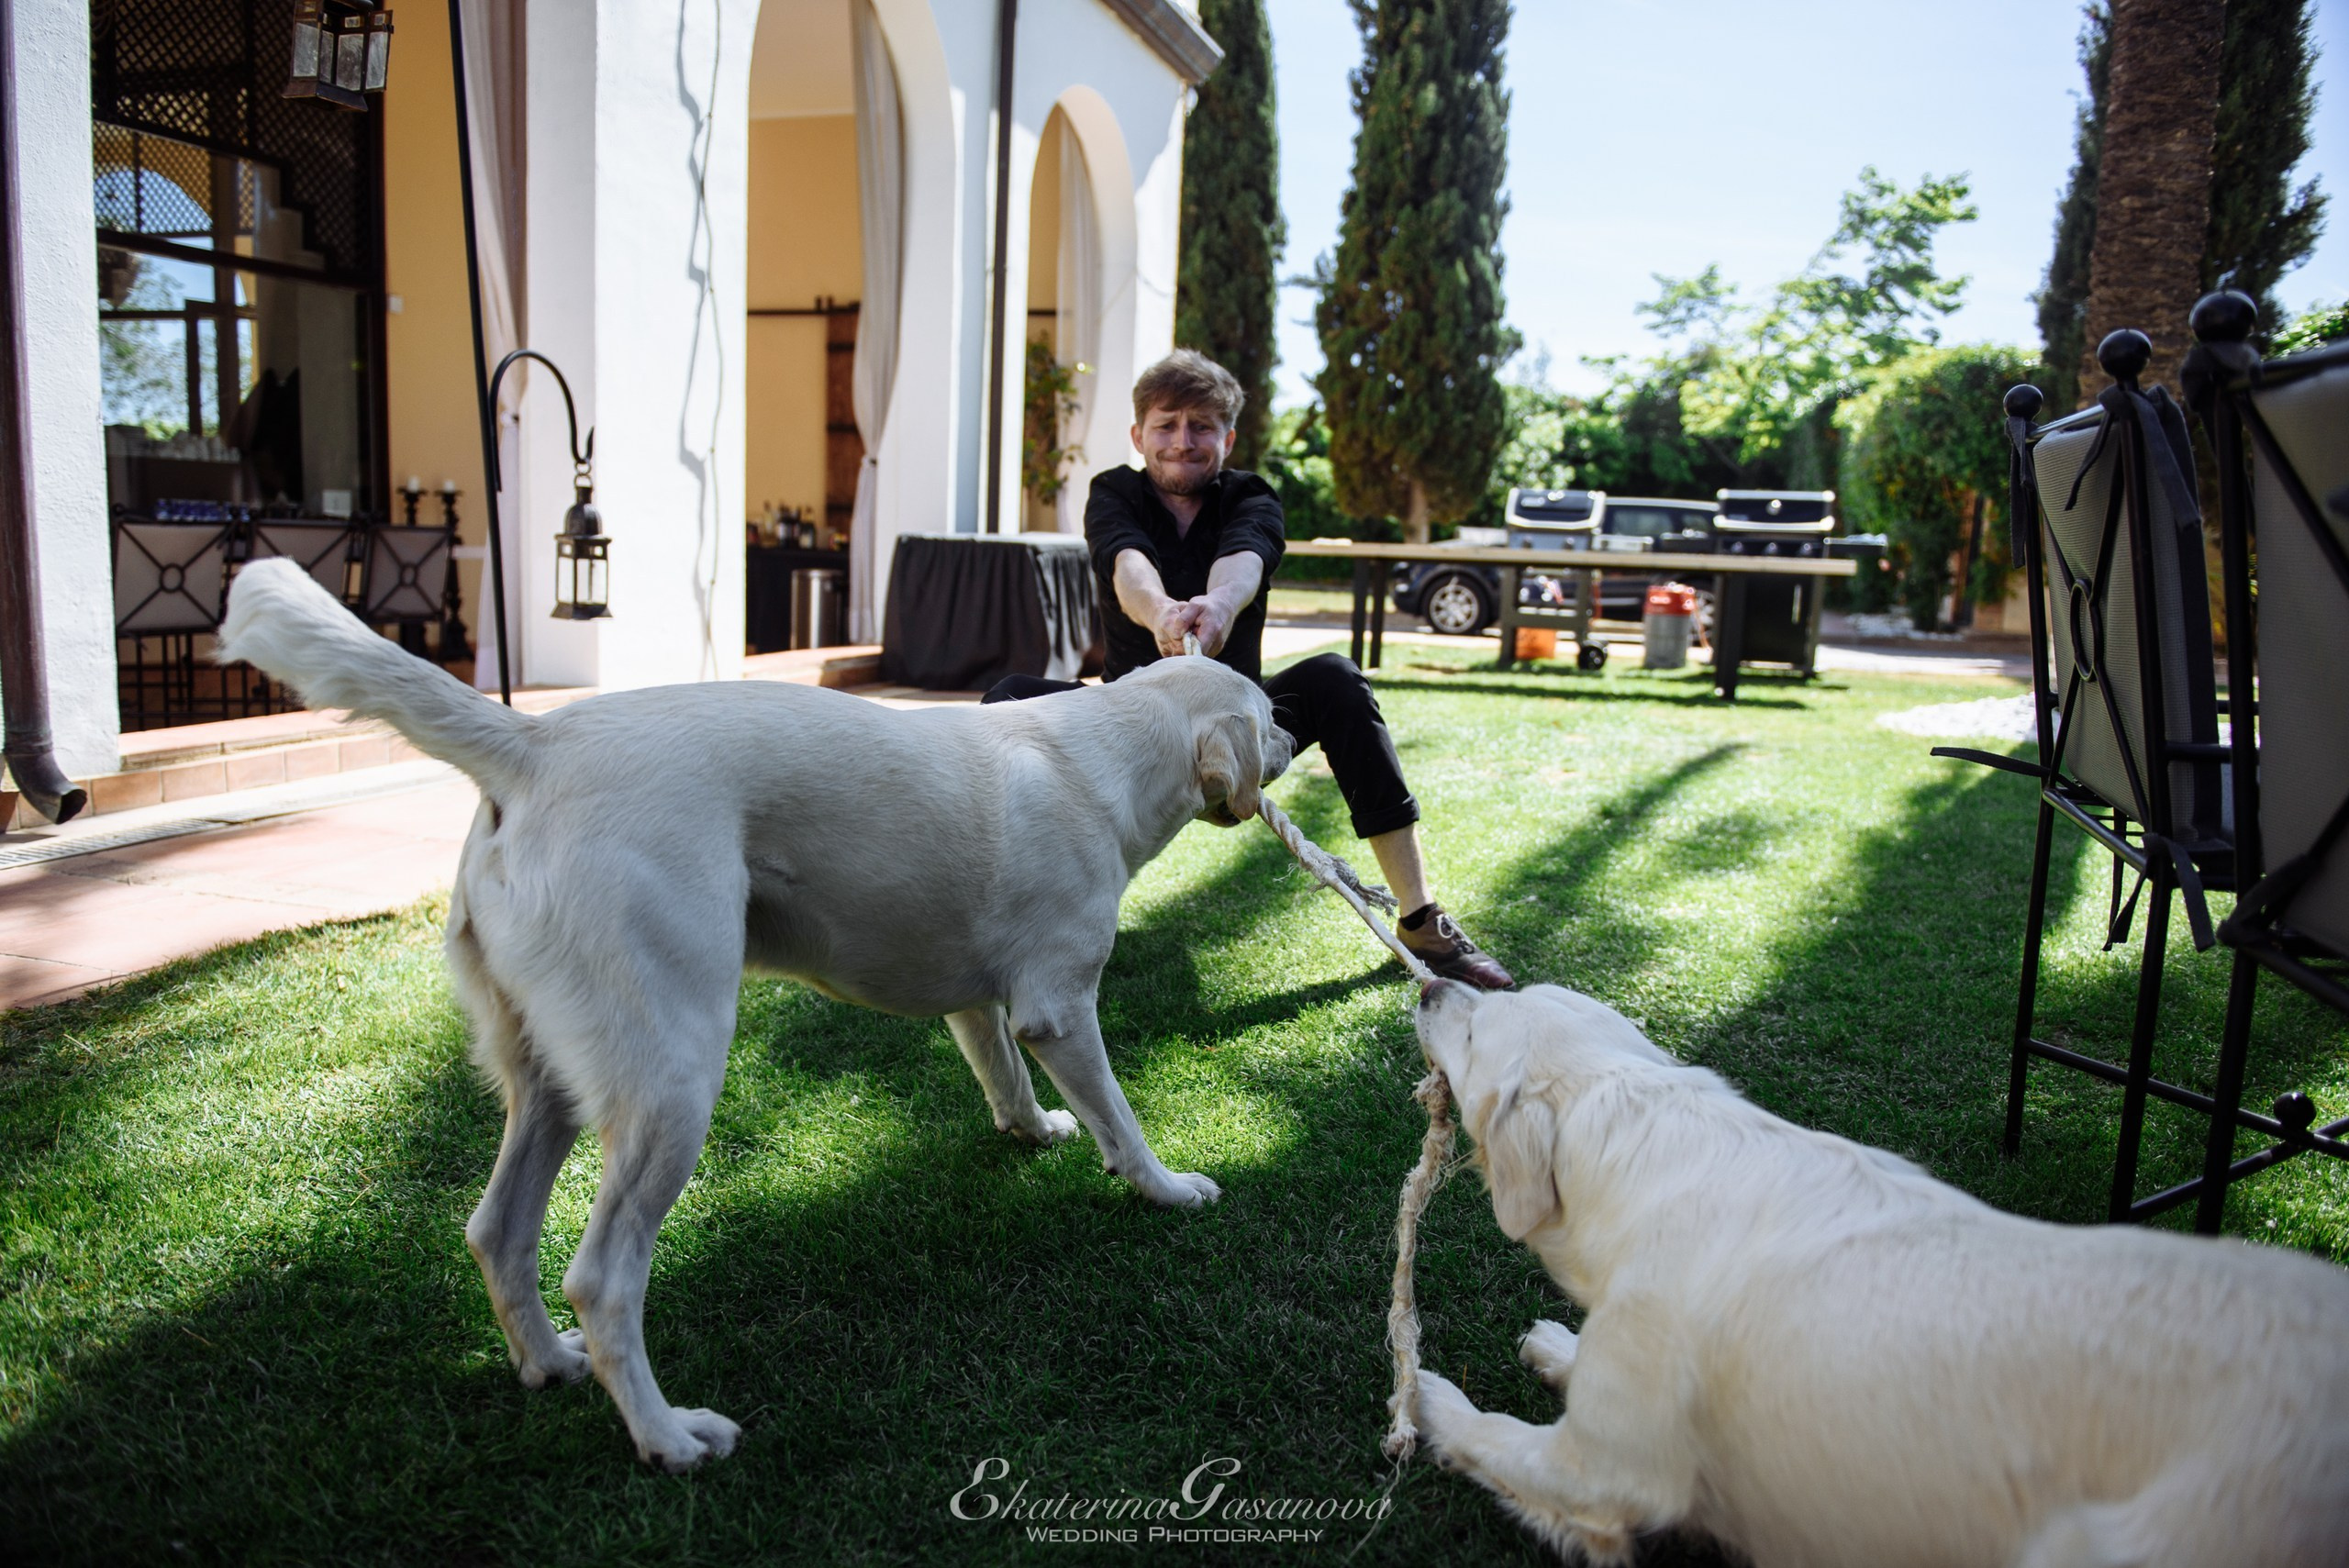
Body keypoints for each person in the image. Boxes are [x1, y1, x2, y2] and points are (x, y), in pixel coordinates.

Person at [984, 350, 1513, 989]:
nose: (1183, 440)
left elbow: (1243, 562)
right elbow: (1128, 567)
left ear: (1227, 438)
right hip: (1124, 731)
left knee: (1337, 679)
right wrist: (1160, 614)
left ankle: (1420, 918)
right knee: (1010, 698)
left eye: (1202, 425)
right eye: (1166, 423)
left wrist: (1219, 607)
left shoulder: (1251, 495)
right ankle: (1005, 915)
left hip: (1241, 732)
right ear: (1138, 435)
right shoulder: (1113, 492)